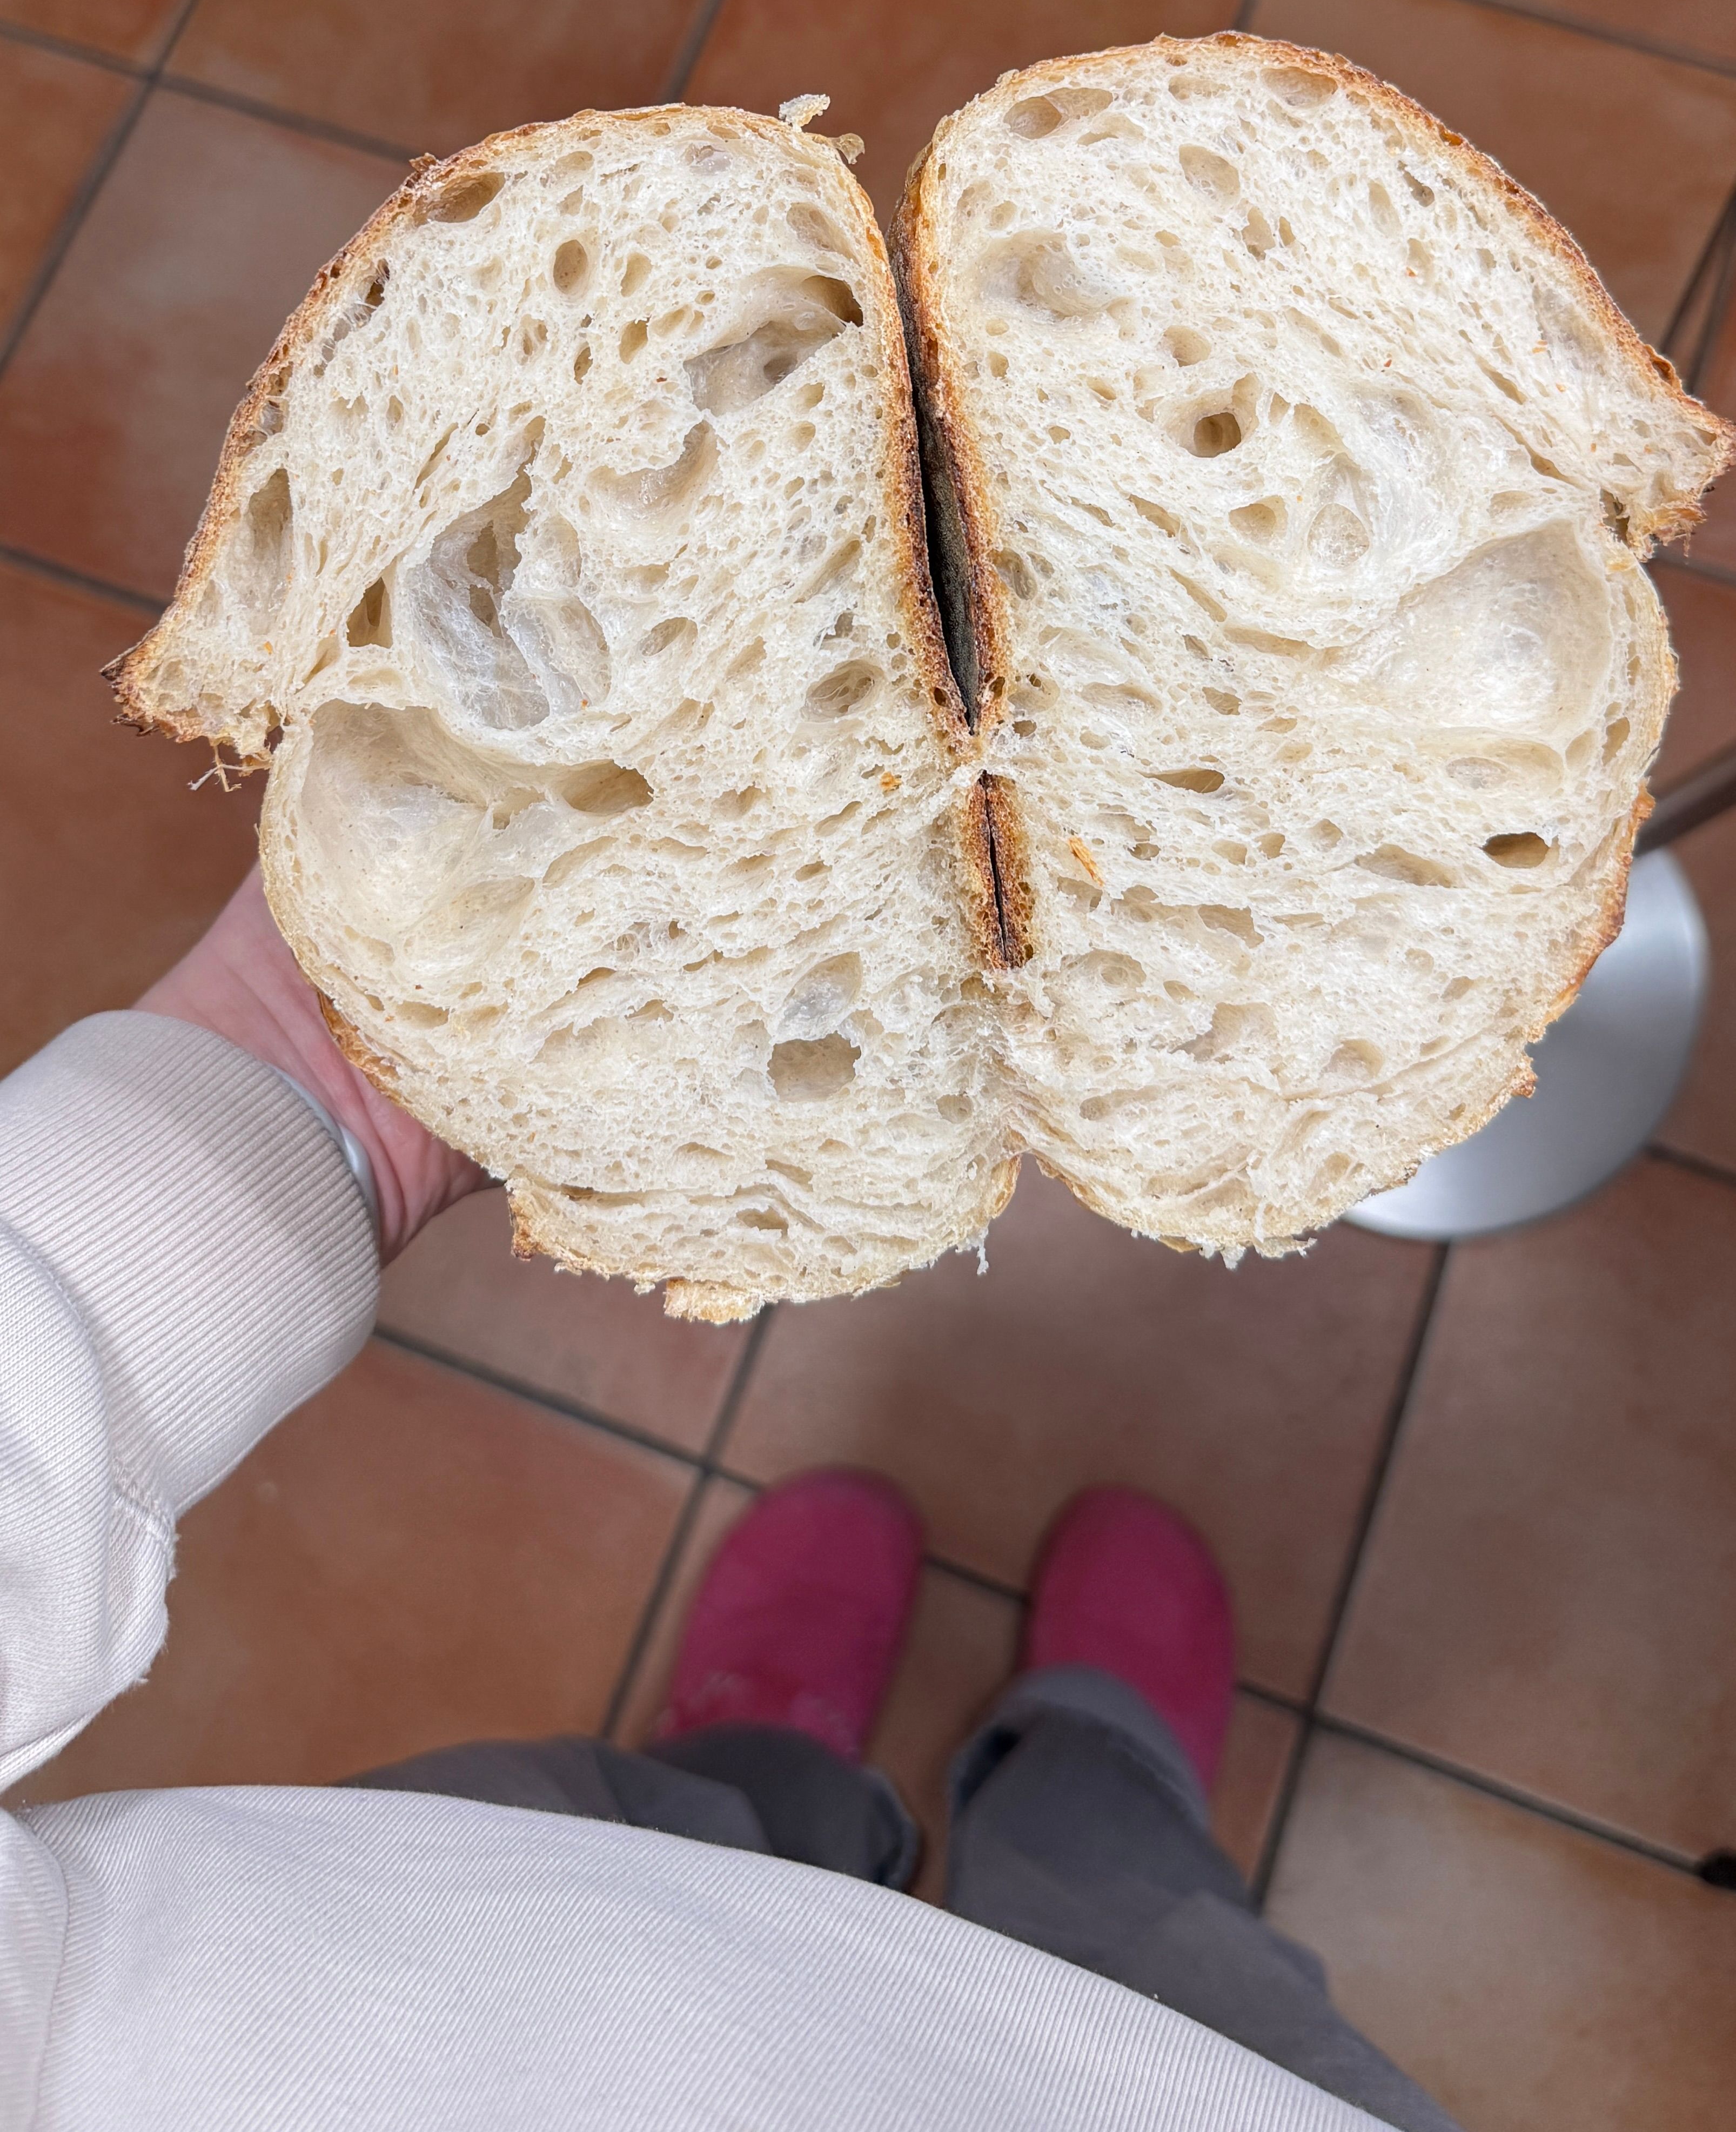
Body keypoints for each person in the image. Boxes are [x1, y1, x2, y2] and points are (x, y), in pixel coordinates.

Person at [0, 868, 1458, 2132]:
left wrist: (263, 1121)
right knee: (1169, 1959)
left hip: (389, 1976)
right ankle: (1101, 1775)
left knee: (629, 1837)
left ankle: (765, 1755)